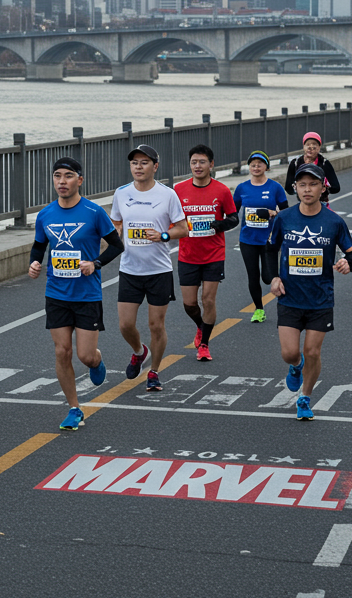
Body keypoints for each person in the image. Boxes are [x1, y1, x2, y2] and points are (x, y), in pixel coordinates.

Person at [28, 157, 125, 431]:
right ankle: (74, 408)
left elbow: (117, 246)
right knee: (62, 352)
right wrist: (34, 263)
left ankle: (97, 360)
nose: (62, 181)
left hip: (86, 295)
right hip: (56, 293)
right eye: (57, 175)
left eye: (68, 176)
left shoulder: (94, 212)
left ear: (79, 180)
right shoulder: (45, 215)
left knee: (85, 356)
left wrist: (95, 264)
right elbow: (39, 246)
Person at [267, 163, 352, 420]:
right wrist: (273, 277)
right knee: (290, 353)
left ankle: (304, 397)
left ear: (323, 188)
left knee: (313, 352)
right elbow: (270, 250)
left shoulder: (334, 221)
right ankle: (296, 367)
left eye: (313, 184)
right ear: (295, 188)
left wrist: (347, 263)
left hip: (320, 299)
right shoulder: (284, 218)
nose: (307, 190)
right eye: (302, 185)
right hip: (290, 296)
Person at [110, 144, 188, 392]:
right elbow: (116, 223)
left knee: (156, 326)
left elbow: (183, 229)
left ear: (155, 166)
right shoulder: (121, 193)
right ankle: (139, 351)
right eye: (134, 163)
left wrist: (163, 236)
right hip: (130, 270)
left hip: (158, 271)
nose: (138, 167)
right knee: (125, 325)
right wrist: (115, 234)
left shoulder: (168, 195)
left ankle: (154, 371)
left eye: (144, 162)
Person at [175, 145, 240, 362]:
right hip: (188, 254)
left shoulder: (222, 190)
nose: (198, 166)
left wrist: (219, 224)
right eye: (194, 162)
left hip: (214, 254)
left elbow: (234, 218)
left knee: (208, 300)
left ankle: (204, 344)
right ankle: (200, 326)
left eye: (202, 162)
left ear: (211, 164)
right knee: (189, 304)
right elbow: (170, 218)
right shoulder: (178, 190)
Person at [233, 151, 289, 324]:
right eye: (253, 164)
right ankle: (259, 309)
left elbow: (286, 213)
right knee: (253, 276)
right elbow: (232, 213)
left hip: (269, 239)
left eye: (260, 164)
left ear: (266, 167)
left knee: (268, 276)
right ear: (249, 167)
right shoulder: (242, 188)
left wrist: (273, 213)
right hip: (247, 239)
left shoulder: (275, 187)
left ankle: (286, 299)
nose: (256, 167)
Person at [284, 132, 341, 204]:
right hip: (303, 203)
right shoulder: (295, 163)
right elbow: (288, 188)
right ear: (303, 146)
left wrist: (321, 189)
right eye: (308, 145)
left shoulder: (324, 163)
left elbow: (336, 187)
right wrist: (300, 189)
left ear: (319, 148)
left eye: (314, 145)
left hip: (321, 203)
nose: (310, 148)